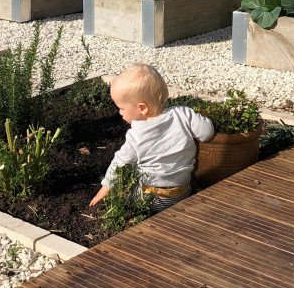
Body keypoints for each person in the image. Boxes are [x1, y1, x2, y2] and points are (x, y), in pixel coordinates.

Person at [89, 63, 214, 213]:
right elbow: (206, 133)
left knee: (125, 196)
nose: (120, 112)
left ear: (142, 108)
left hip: (149, 197)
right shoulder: (182, 114)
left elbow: (120, 164)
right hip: (181, 192)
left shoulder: (136, 135)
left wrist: (105, 188)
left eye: (121, 108)